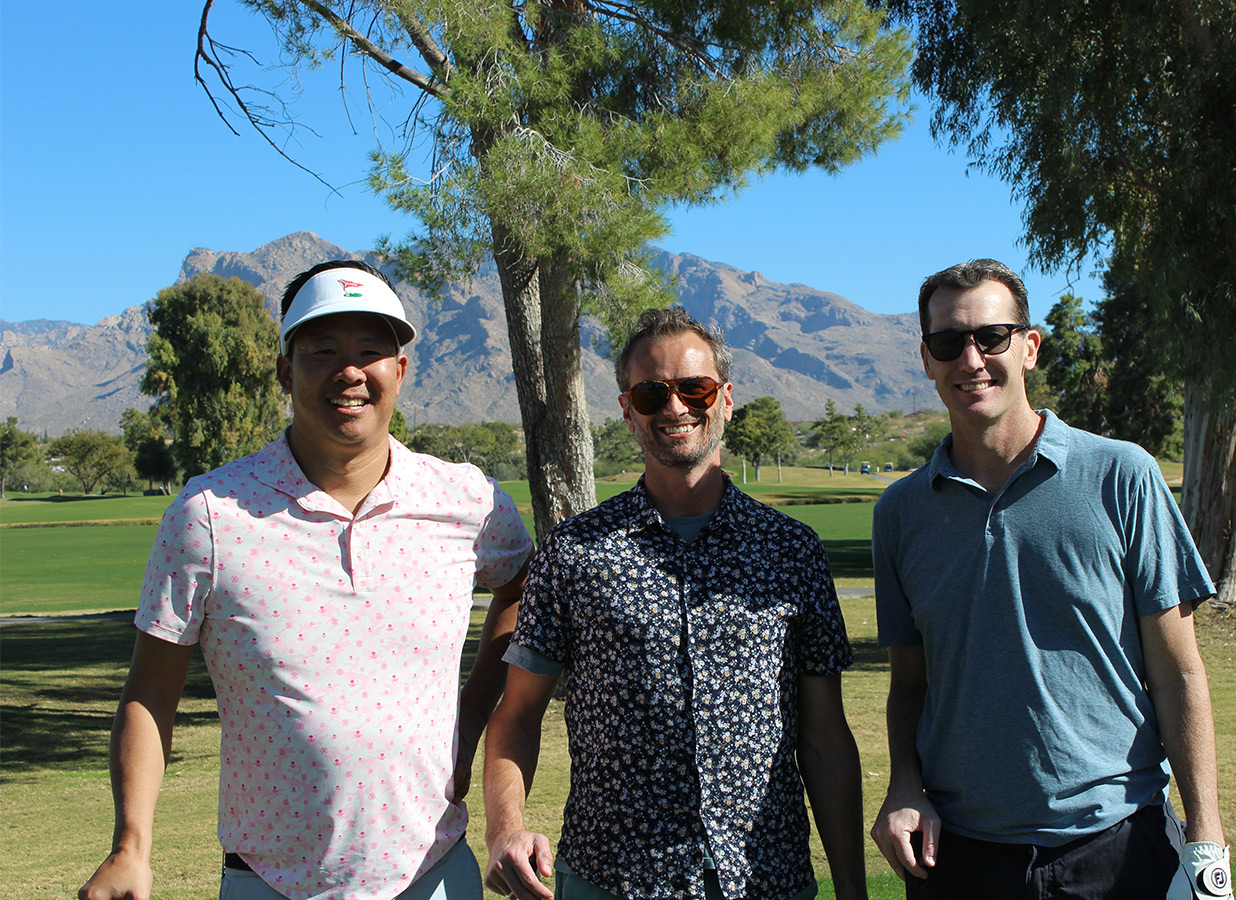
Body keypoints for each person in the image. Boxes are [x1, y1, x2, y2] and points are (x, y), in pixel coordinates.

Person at [79, 260, 533, 900]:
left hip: (435, 873)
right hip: (270, 881)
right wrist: (131, 845)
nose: (350, 371)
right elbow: (150, 694)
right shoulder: (211, 513)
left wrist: (472, 712)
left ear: (399, 370)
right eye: (322, 350)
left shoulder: (467, 499)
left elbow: (521, 586)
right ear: (286, 371)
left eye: (371, 351)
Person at [869, 260, 1233, 900]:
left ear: (1030, 347)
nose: (971, 359)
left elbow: (1179, 671)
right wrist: (904, 783)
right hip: (958, 858)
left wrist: (1206, 845)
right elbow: (910, 685)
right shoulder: (900, 514)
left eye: (993, 337)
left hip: (1117, 847)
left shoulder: (1122, 476)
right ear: (926, 359)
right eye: (949, 343)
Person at [482, 307, 867, 900]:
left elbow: (824, 738)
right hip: (613, 877)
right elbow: (517, 715)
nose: (675, 407)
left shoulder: (793, 552)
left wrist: (852, 889)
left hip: (765, 879)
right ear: (628, 410)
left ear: (727, 398)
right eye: (651, 393)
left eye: (695, 388)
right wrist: (505, 829)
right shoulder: (575, 553)